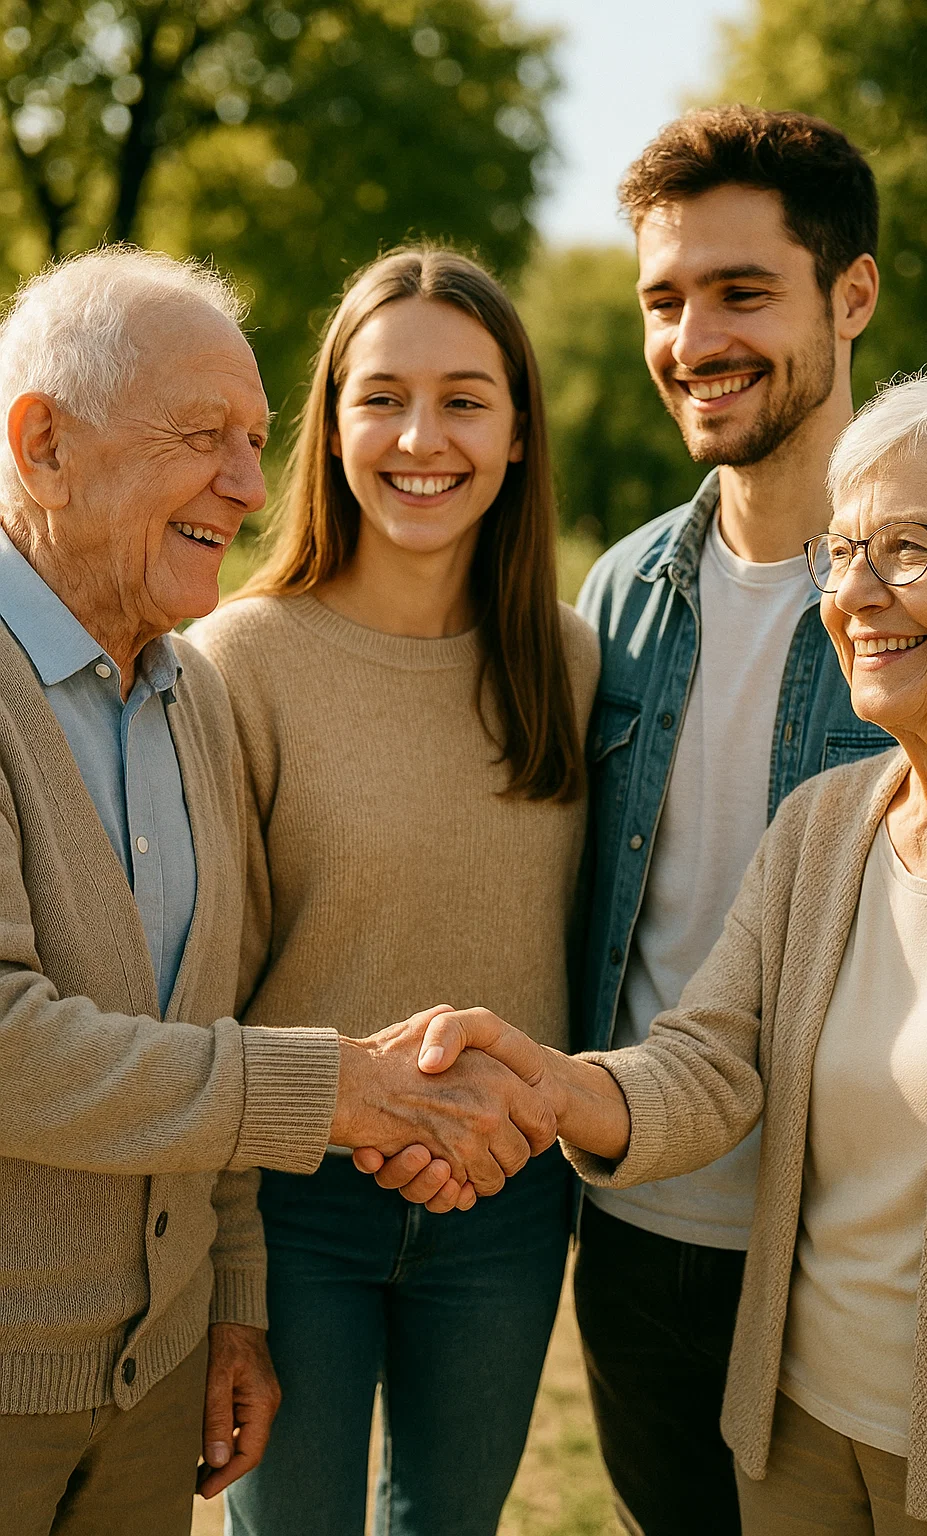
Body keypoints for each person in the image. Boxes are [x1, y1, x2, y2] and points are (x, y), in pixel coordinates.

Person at [406, 366, 927, 1534]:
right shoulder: (827, 827)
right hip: (789, 1436)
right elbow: (711, 1057)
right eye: (840, 551)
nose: (856, 592)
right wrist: (557, 1084)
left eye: (908, 544)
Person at [0, 247, 556, 1536]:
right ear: (43, 444)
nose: (250, 487)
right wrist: (339, 1091)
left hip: (148, 1382)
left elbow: (209, 1026)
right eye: (204, 437)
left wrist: (226, 1307)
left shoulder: (183, 692)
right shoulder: (232, 665)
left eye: (255, 441)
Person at [191, 246, 599, 1536]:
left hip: (507, 1209)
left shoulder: (572, 664)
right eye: (382, 397)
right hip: (293, 1207)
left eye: (466, 399)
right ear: (331, 422)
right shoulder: (238, 662)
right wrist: (233, 1274)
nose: (422, 437)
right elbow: (204, 985)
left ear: (521, 431)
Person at [571, 105, 890, 1535]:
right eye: (665, 298)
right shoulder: (620, 592)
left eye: (743, 291)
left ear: (853, 294)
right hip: (634, 1226)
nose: (693, 338)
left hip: (847, 1240)